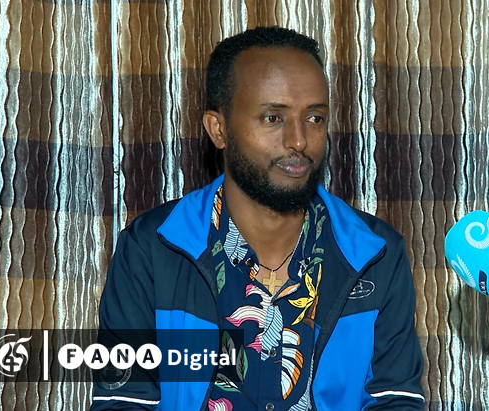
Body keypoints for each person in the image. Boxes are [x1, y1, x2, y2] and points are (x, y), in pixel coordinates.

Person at [90, 26, 425, 411]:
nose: (299, 140)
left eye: (315, 118)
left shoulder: (375, 254)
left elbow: (394, 400)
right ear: (219, 130)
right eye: (273, 117)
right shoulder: (153, 249)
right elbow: (123, 401)